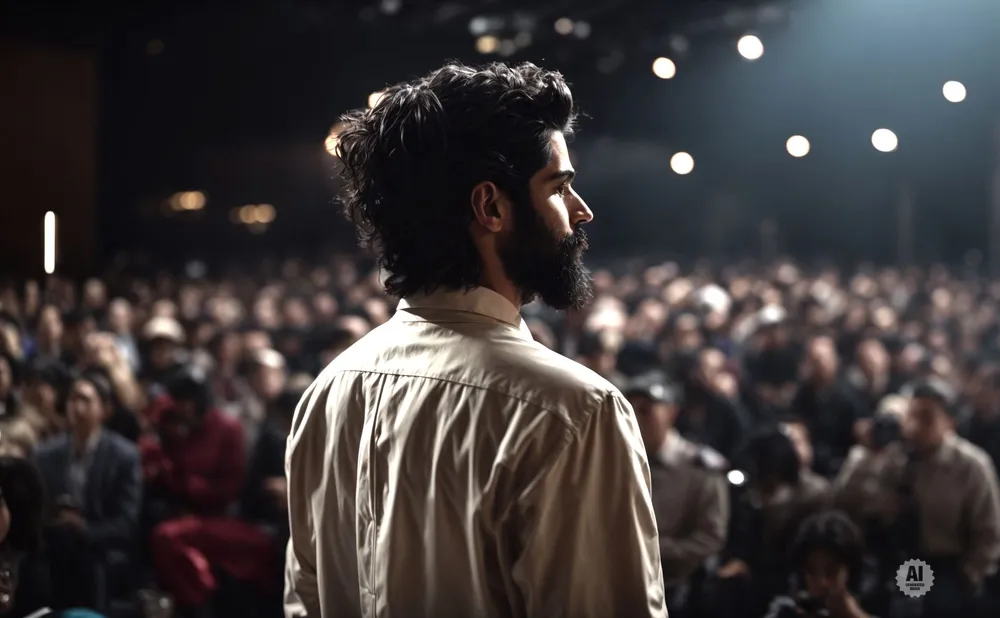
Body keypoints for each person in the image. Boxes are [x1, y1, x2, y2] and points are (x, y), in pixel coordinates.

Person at [286, 61, 666, 618]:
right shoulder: (573, 414)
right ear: (491, 207)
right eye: (558, 187)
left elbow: (305, 603)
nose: (582, 211)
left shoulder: (327, 393)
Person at [31, 372, 142, 610]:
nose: (77, 407)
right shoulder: (45, 454)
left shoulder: (124, 456)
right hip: (56, 541)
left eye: (85, 400)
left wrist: (85, 528)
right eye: (72, 400)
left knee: (89, 560)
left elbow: (126, 522)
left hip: (101, 545)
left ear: (105, 410)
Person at [622, 371, 729, 617]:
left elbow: (709, 538)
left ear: (671, 412)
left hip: (677, 589)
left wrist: (650, 549)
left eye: (646, 410)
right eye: (631, 409)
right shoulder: (621, 461)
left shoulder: (699, 467)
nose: (637, 418)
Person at [764, 510, 873, 618]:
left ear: (848, 571)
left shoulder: (868, 605)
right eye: (812, 572)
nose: (822, 582)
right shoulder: (788, 612)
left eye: (831, 572)